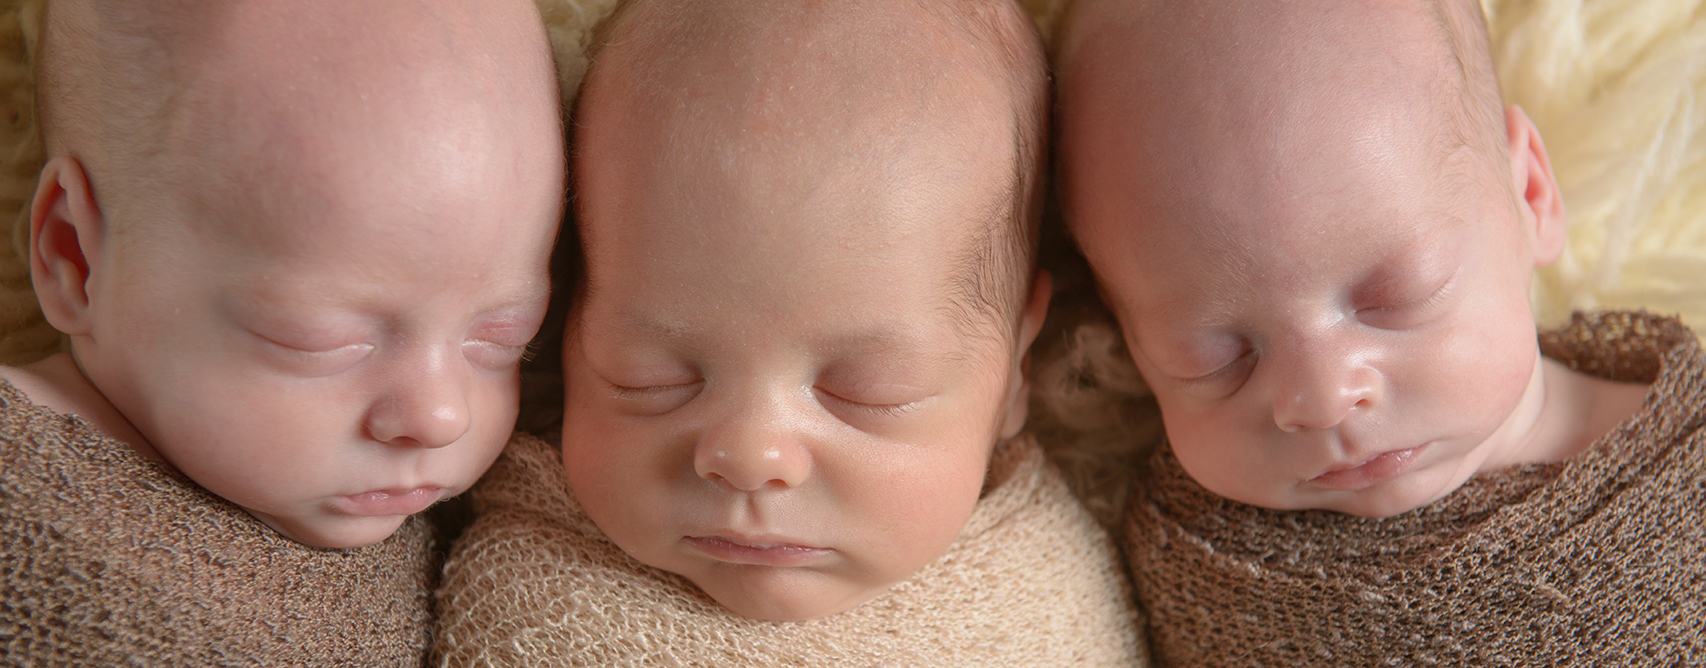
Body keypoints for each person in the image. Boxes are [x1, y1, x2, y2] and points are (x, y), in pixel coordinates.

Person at [434, 0, 1146, 665]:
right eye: (649, 376)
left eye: (864, 390)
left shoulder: (1051, 599)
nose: (750, 456)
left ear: (1016, 369)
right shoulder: (517, 584)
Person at [1056, 0, 1706, 663]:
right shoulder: (1198, 567)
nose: (1322, 397)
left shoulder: (1688, 450)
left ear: (1531, 195)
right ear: (1128, 344)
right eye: (1215, 358)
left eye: (1396, 297)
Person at [0, 0, 564, 662]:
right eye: (318, 338)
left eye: (503, 340)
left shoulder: (468, 544)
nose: (441, 415)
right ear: (77, 260)